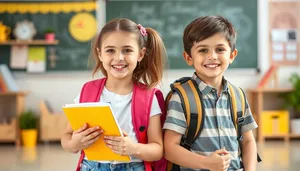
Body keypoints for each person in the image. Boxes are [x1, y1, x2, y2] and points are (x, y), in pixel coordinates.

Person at [61, 18, 167, 171]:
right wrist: (73, 145)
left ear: (141, 54)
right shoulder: (87, 91)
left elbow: (157, 150)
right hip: (91, 166)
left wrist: (133, 148)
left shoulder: (149, 97)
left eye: (127, 50)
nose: (119, 58)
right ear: (100, 54)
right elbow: (67, 135)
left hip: (133, 166)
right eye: (110, 50)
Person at [163, 15, 258, 171]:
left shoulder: (238, 96)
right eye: (203, 50)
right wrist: (207, 163)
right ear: (188, 57)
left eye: (220, 49)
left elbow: (248, 141)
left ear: (232, 55)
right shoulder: (181, 97)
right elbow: (170, 149)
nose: (212, 56)